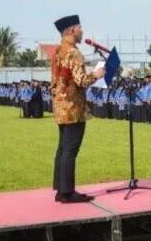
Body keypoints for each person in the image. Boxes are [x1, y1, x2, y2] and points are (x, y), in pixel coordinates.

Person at [51, 15, 106, 203]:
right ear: (72, 30)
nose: (82, 32)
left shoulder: (58, 51)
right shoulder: (73, 52)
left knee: (62, 148)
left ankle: (60, 189)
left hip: (61, 106)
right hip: (73, 107)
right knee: (70, 150)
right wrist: (97, 74)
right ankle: (67, 192)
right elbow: (81, 80)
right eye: (80, 28)